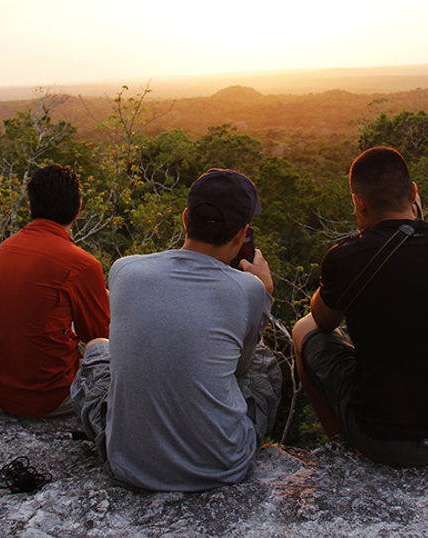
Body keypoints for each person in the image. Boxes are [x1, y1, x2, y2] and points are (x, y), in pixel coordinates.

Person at [292, 146, 428, 467]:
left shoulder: (347, 257)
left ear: (359, 202)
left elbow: (322, 320)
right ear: (414, 193)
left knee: (302, 328)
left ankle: (343, 445)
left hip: (384, 440)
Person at [71, 168, 282, 491]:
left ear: (185, 219)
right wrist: (264, 292)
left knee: (98, 348)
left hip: (127, 465)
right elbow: (241, 370)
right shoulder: (248, 290)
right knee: (264, 360)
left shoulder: (125, 270)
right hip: (222, 467)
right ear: (242, 235)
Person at [0, 164, 110, 418]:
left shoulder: (7, 248)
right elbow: (98, 337)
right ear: (78, 208)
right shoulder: (82, 264)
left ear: (31, 206)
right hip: (47, 397)